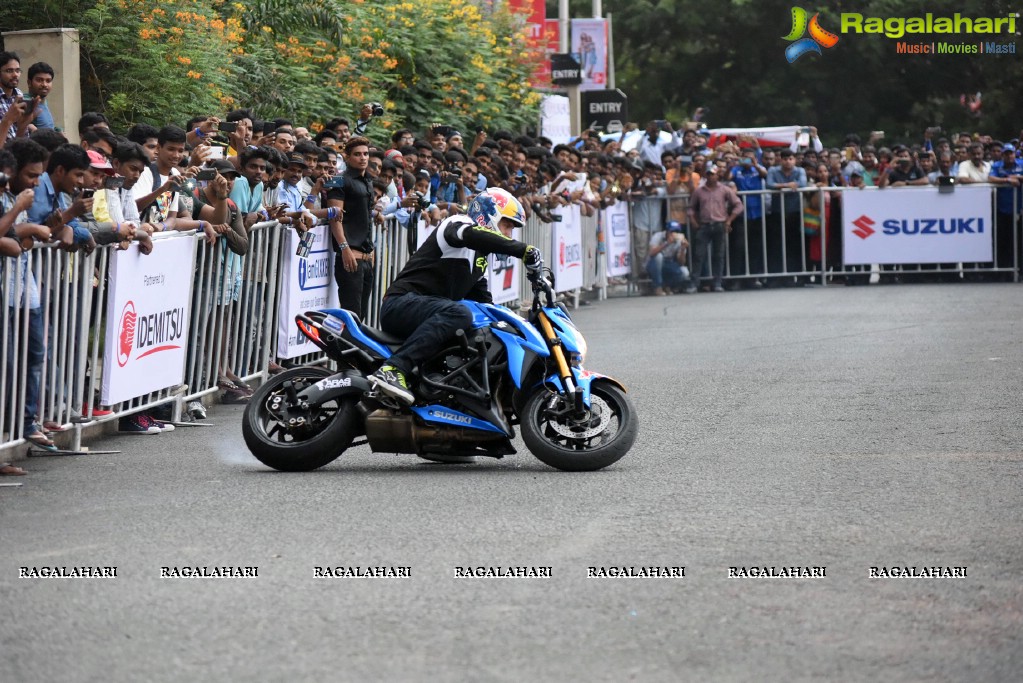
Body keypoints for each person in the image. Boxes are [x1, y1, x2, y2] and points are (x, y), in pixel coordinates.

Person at [370, 188, 541, 403]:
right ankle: (393, 369)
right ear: (490, 215)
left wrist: (516, 327)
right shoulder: (457, 223)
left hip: (429, 313)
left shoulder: (479, 264)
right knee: (460, 313)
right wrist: (521, 250)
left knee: (484, 329)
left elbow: (487, 306)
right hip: (401, 304)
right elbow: (470, 235)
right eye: (507, 225)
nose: (509, 234)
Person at [325, 136, 375, 318]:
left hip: (367, 257)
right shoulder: (337, 179)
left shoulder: (369, 180)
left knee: (360, 315)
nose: (363, 158)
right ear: (346, 157)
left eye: (366, 154)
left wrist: (371, 252)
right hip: (349, 256)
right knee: (350, 315)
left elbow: (366, 217)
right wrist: (344, 247)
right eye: (357, 154)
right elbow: (334, 216)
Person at [686, 166, 744, 293]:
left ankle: (717, 282)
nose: (711, 176)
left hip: (719, 224)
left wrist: (729, 220)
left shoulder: (724, 190)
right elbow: (691, 207)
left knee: (718, 255)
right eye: (709, 174)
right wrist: (693, 220)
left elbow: (738, 205)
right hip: (704, 225)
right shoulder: (699, 191)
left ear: (718, 176)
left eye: (713, 174)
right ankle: (694, 283)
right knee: (698, 255)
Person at [646, 221, 689, 295]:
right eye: (672, 231)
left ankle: (666, 285)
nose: (674, 233)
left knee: (685, 272)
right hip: (654, 263)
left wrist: (682, 249)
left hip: (669, 263)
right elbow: (651, 253)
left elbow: (681, 263)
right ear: (667, 231)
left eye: (676, 231)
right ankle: (658, 287)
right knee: (659, 257)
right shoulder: (658, 236)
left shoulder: (679, 241)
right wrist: (667, 243)